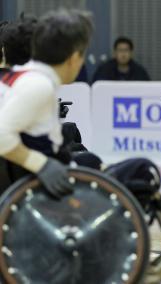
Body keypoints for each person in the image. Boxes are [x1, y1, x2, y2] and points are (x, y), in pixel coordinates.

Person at [0, 9, 93, 198]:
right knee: (141, 169)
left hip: (24, 175)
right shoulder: (37, 84)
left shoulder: (19, 79)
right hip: (33, 184)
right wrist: (42, 165)